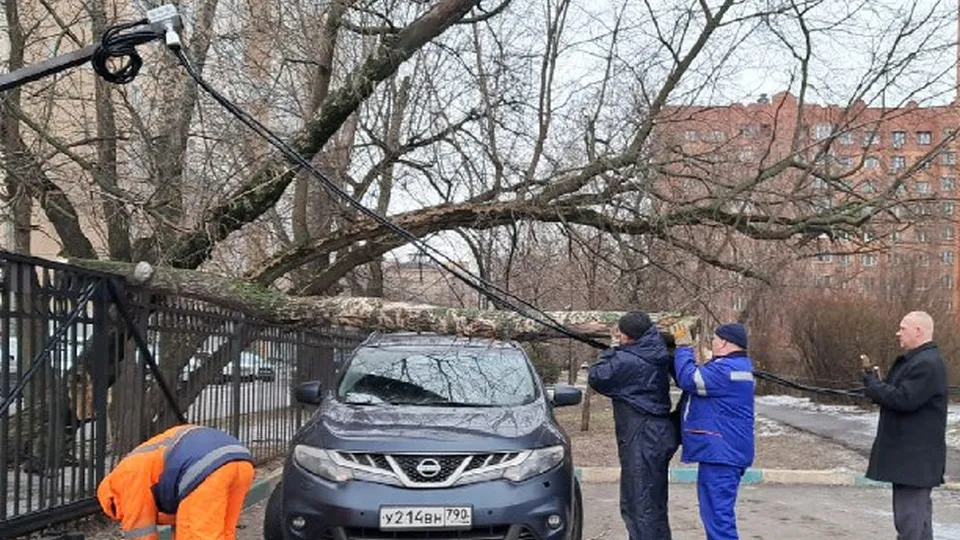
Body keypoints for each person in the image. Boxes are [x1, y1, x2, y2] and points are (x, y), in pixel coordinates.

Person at [588, 311, 679, 540]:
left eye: (620, 333)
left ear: (628, 336)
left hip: (642, 437)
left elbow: (597, 376)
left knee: (639, 505)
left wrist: (612, 348)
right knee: (653, 503)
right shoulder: (655, 350)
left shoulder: (626, 359)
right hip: (655, 434)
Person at [861, 311, 948, 540]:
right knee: (917, 523)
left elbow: (904, 399)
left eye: (903, 328)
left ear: (918, 331)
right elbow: (899, 394)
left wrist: (874, 387)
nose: (898, 333)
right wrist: (877, 387)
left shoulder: (926, 363)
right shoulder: (919, 360)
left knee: (910, 522)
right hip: (911, 459)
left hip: (915, 459)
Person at [97, 423, 255, 540]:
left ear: (113, 502)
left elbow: (142, 534)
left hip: (205, 469)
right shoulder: (139, 465)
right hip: (240, 461)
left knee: (196, 535)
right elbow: (178, 516)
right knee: (224, 533)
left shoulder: (125, 482)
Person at [673, 323, 754, 540]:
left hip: (723, 454)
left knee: (718, 517)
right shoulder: (735, 367)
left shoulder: (727, 370)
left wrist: (683, 348)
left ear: (724, 343)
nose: (713, 343)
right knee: (716, 515)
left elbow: (689, 379)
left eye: (715, 340)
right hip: (726, 452)